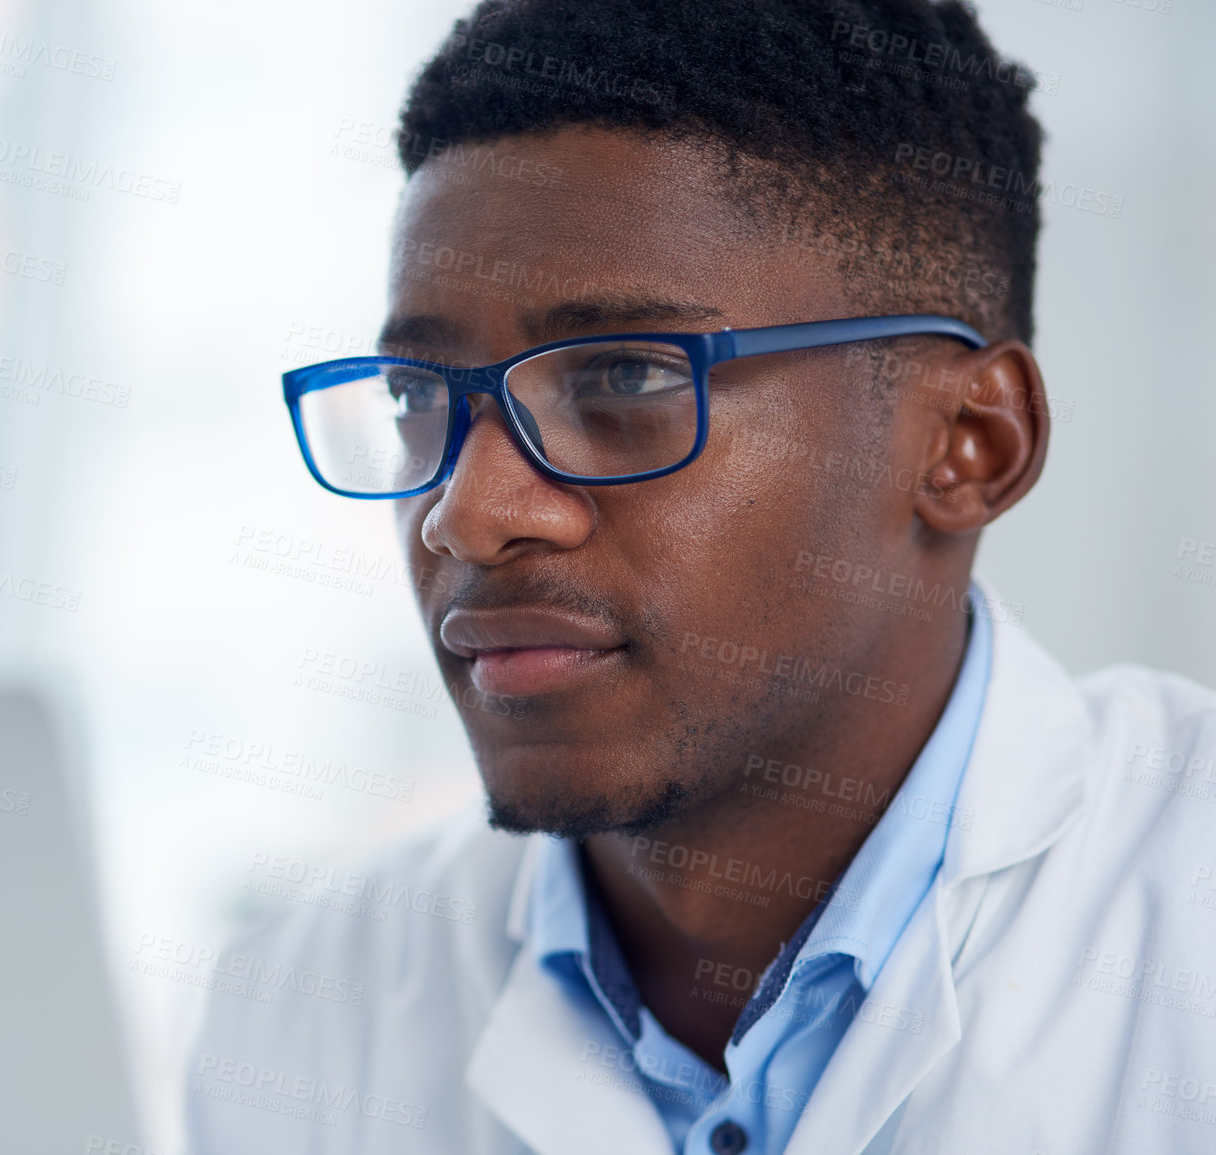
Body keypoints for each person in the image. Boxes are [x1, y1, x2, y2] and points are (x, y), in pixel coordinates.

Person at [187, 2, 1216, 1152]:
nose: (466, 516)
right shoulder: (302, 1006)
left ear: (969, 442)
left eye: (624, 375)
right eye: (419, 397)